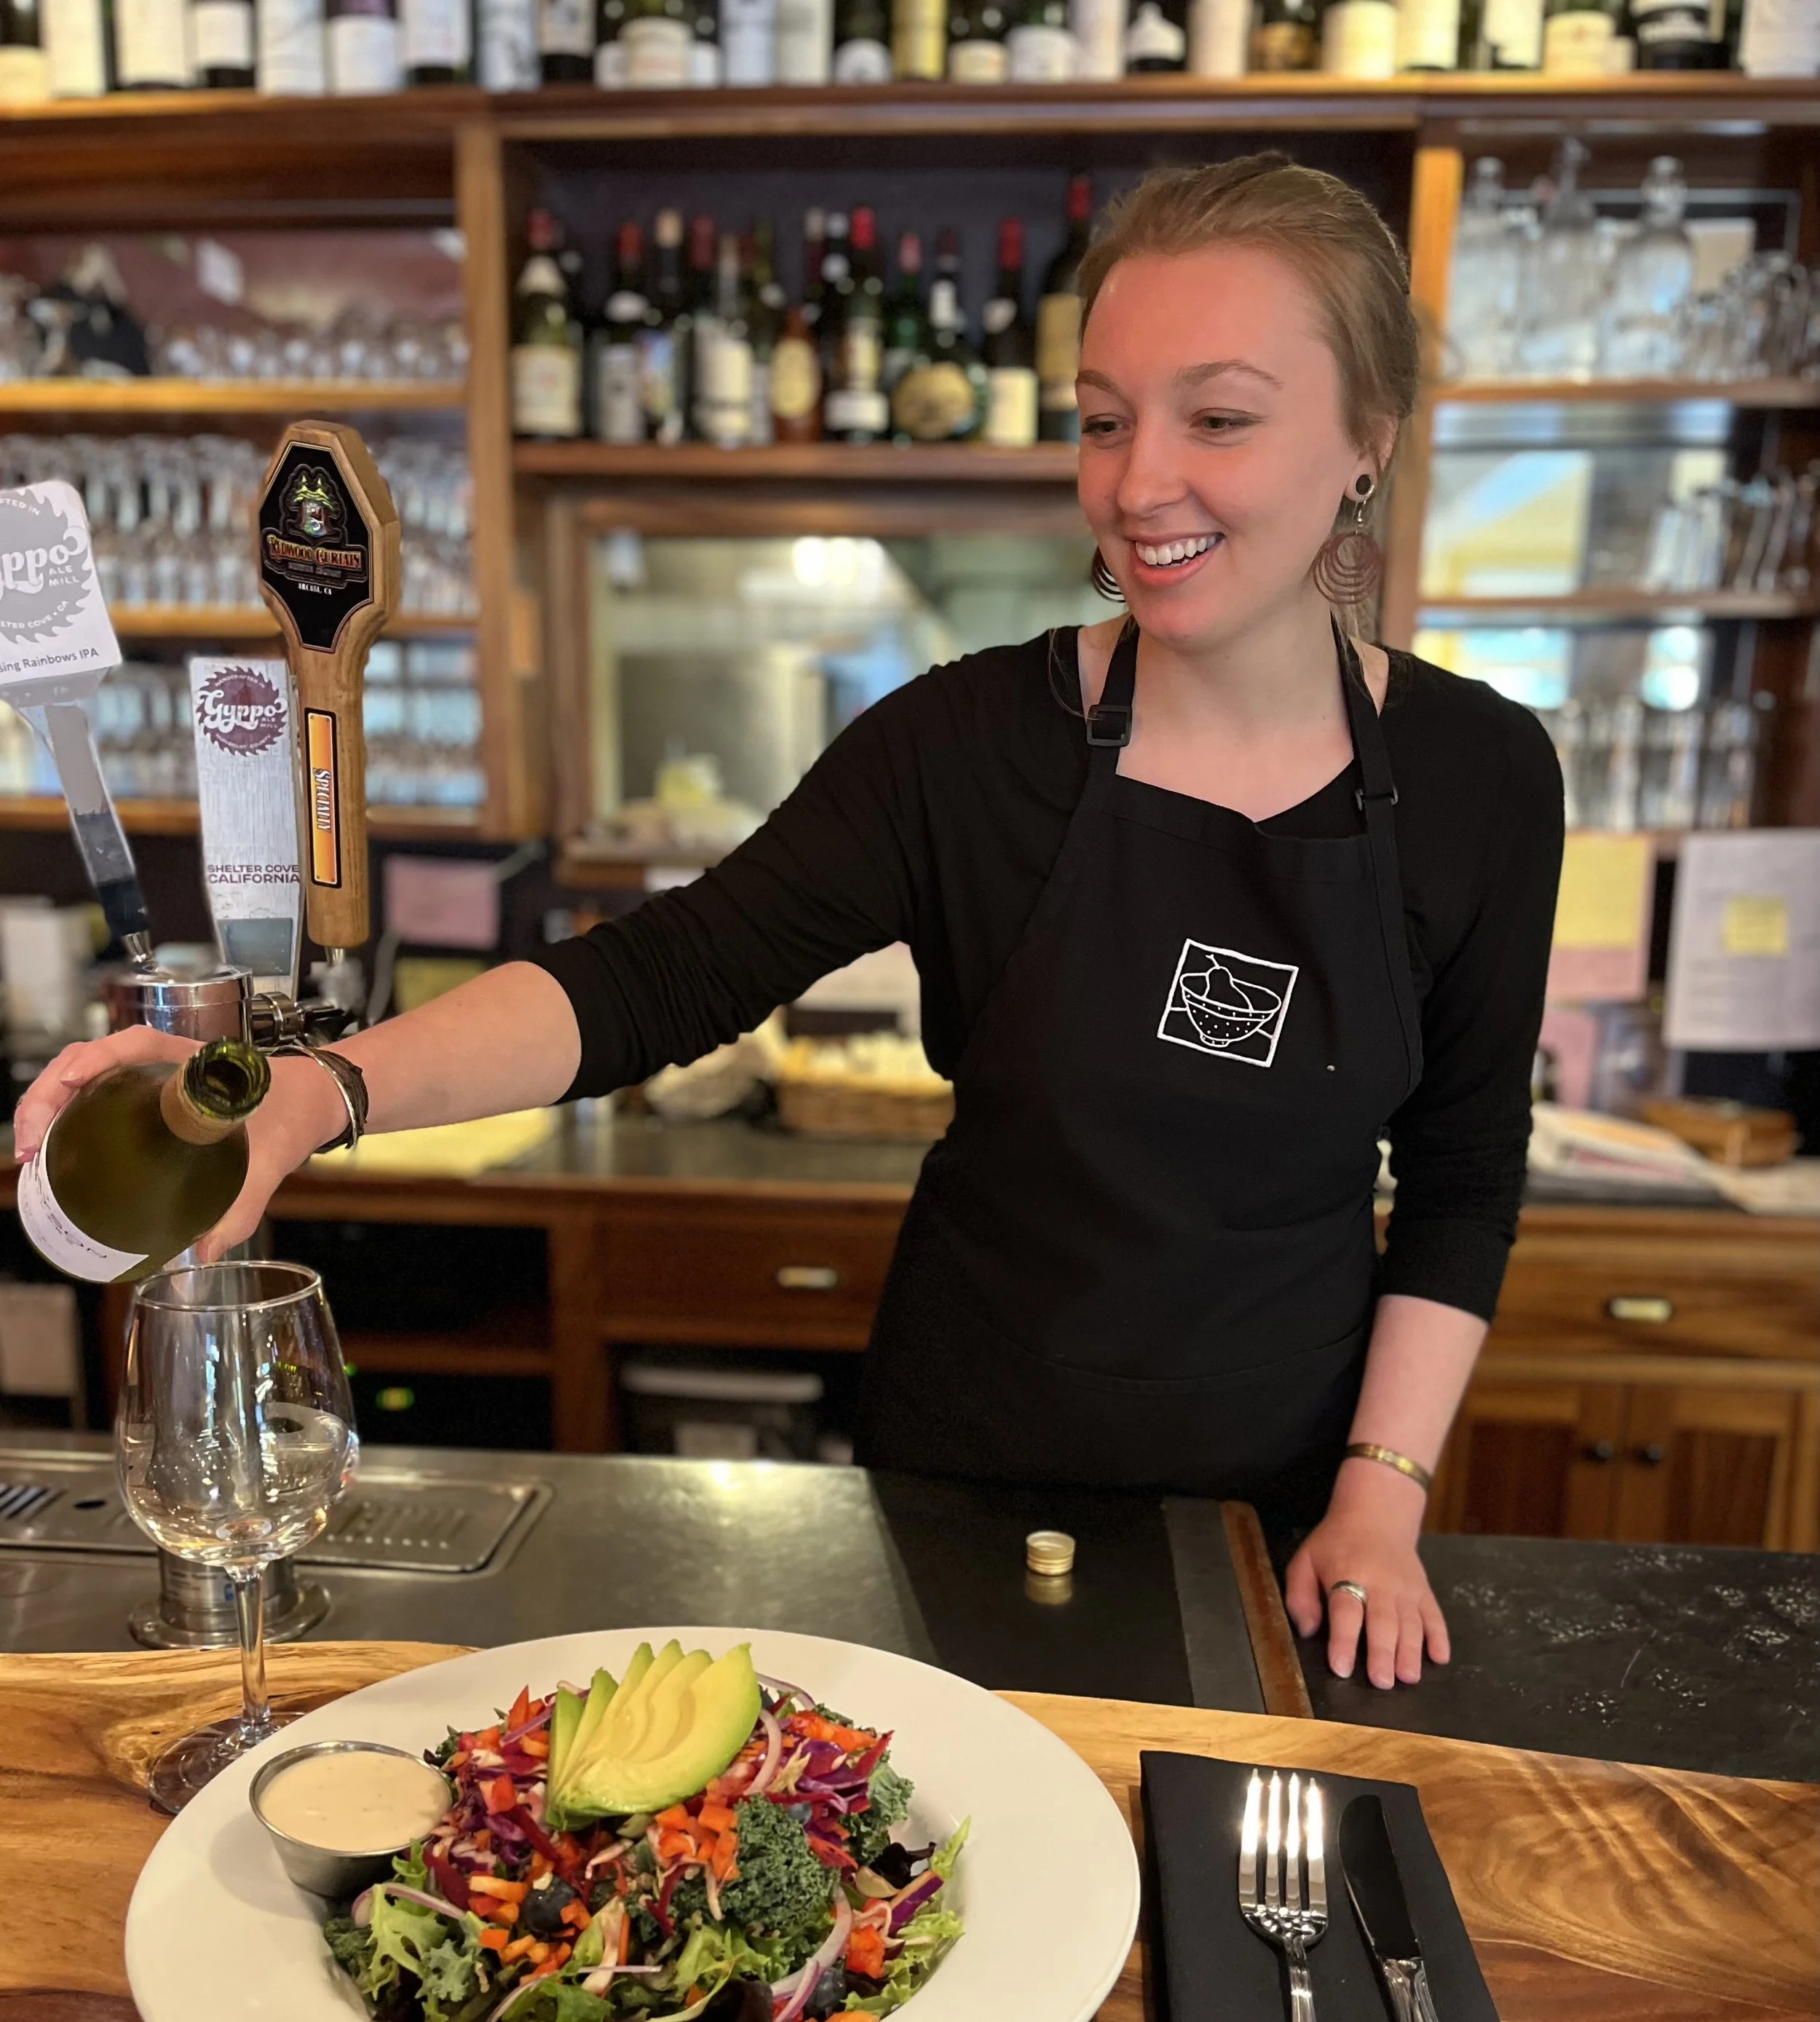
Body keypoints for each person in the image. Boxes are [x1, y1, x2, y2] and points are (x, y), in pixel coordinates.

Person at [17, 156, 1562, 1691]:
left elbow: (1458, 1172)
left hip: (1284, 1515)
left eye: (1216, 416)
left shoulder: (1482, 777)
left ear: (1367, 437)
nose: (1137, 478)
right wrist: (324, 1087)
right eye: (1101, 418)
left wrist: (1380, 1491)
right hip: (956, 1476)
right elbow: (663, 973)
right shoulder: (961, 746)